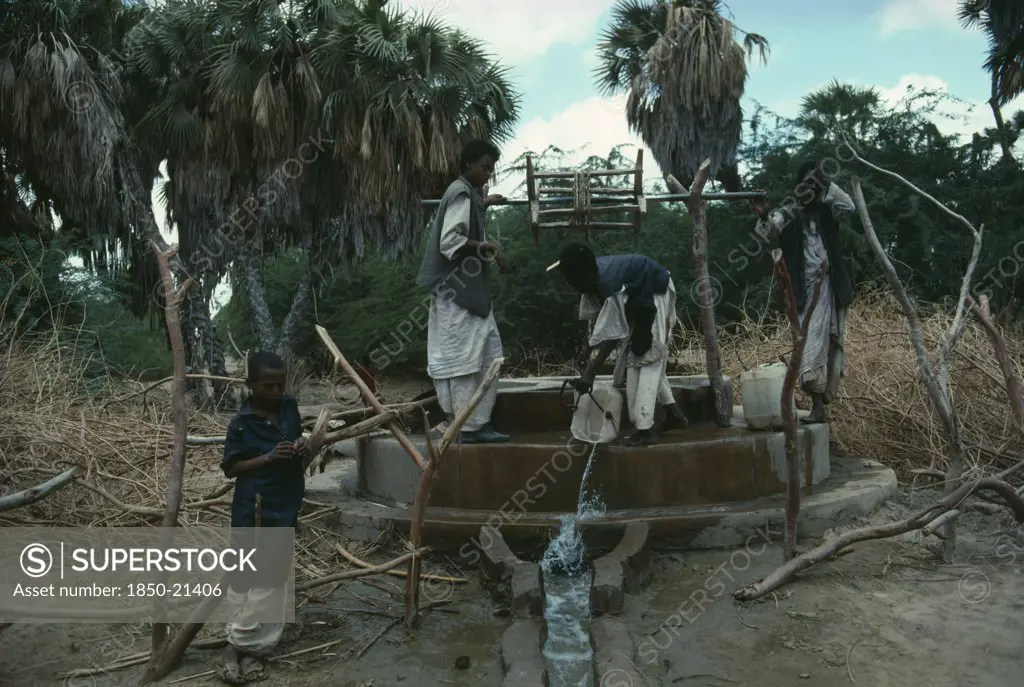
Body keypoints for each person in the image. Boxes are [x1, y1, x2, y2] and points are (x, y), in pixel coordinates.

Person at [219, 352, 312, 685]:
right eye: (268, 386)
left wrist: (304, 447)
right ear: (250, 386)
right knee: (247, 575)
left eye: (280, 384)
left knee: (271, 576)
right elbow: (231, 468)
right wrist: (269, 456)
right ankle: (239, 646)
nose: (276, 392)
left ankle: (247, 647)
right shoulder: (241, 423)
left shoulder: (289, 408)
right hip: (253, 507)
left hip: (284, 502)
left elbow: (302, 454)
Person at [416, 140, 511, 444]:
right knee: (464, 358)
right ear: (468, 163)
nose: (487, 173)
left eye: (491, 169)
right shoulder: (460, 193)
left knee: (487, 353)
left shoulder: (467, 194)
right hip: (457, 294)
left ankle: (474, 422)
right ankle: (464, 426)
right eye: (484, 167)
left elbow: (466, 215)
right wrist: (487, 246)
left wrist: (484, 203)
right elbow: (450, 242)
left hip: (466, 294)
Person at [548, 243, 689, 446]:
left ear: (585, 273)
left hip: (654, 291)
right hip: (635, 295)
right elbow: (601, 319)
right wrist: (587, 351)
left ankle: (645, 429)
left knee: (647, 357)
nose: (570, 284)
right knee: (644, 357)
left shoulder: (609, 283)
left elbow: (612, 334)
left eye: (572, 278)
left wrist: (591, 372)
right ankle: (673, 413)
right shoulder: (590, 283)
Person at [751, 160, 856, 424]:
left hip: (828, 289)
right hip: (801, 291)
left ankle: (819, 406)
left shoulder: (828, 211)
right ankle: (817, 404)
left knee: (820, 346)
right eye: (805, 181)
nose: (809, 186)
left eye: (815, 182)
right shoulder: (788, 214)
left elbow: (850, 206)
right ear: (798, 186)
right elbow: (767, 232)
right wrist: (763, 214)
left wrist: (826, 181)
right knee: (807, 345)